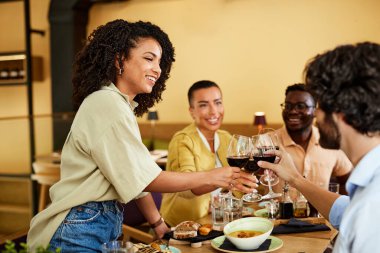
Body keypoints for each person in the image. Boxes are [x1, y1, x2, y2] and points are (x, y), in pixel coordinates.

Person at [26, 20, 256, 252]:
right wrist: (214, 176)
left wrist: (157, 223)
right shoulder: (106, 104)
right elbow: (146, 179)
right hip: (79, 228)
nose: (158, 69)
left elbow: (136, 180)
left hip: (95, 223)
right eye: (149, 58)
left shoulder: (118, 105)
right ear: (119, 60)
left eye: (159, 62)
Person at [259, 42, 380, 252]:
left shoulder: (372, 209)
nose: (316, 117)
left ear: (340, 113)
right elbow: (345, 210)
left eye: (320, 107)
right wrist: (295, 178)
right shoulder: (368, 189)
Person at [160, 80, 232, 226]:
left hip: (216, 219)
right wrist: (225, 177)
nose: (214, 111)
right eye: (204, 105)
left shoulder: (226, 138)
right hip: (182, 225)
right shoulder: (182, 140)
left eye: (218, 103)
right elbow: (186, 188)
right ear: (191, 111)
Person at [275, 83, 352, 196]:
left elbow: (347, 182)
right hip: (279, 213)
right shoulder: (267, 142)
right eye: (288, 106)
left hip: (321, 213)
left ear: (315, 111)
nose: (293, 111)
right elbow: (248, 178)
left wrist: (341, 209)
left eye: (300, 106)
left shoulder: (329, 141)